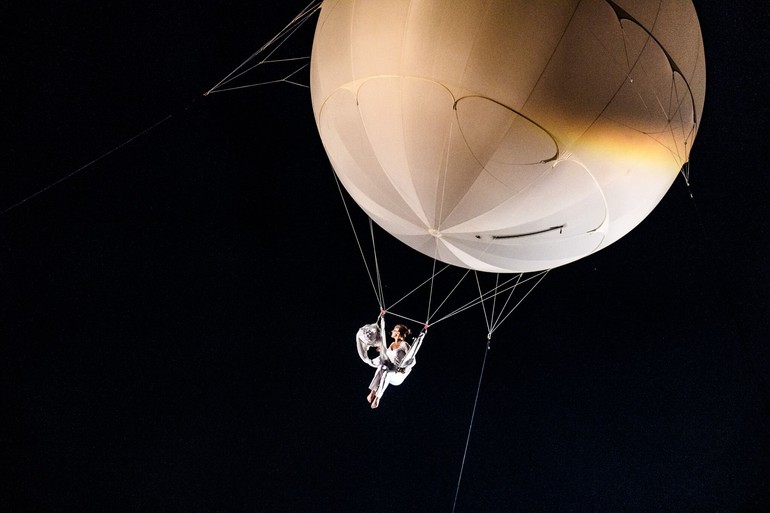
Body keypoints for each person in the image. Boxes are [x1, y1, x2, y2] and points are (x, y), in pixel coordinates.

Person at [365, 323, 413, 409]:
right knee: (381, 367)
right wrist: (381, 350)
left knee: (387, 373)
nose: (392, 331)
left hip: (398, 375)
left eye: (394, 330)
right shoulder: (391, 345)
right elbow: (387, 356)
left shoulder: (404, 345)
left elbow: (412, 361)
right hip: (390, 370)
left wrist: (403, 369)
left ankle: (378, 397)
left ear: (398, 333)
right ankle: (372, 392)